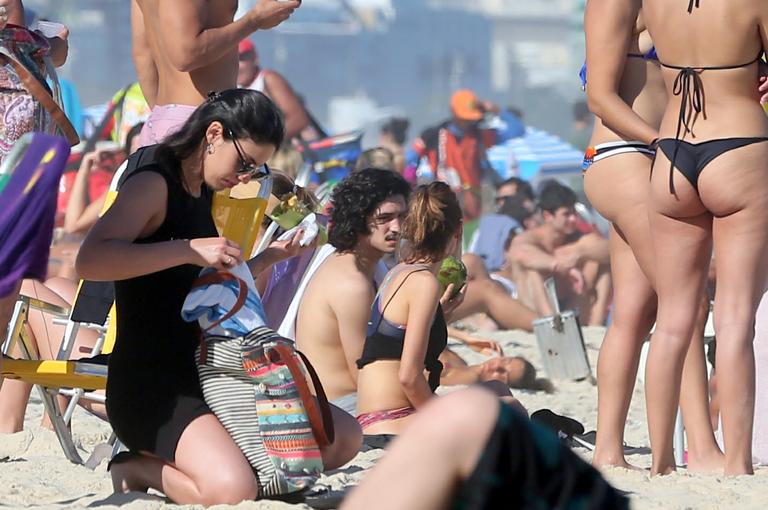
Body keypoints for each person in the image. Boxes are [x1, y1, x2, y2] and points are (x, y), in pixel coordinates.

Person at [75, 89, 360, 504]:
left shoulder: (201, 187)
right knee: (231, 490)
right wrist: (187, 248)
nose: (245, 176)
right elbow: (91, 260)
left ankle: (222, 456)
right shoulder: (155, 181)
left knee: (341, 438)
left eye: (256, 168)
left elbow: (198, 287)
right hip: (153, 383)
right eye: (245, 163)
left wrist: (270, 258)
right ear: (213, 133)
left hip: (216, 373)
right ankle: (133, 467)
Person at [582, 0, 722, 471]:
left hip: (641, 159)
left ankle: (607, 450)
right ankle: (701, 447)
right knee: (686, 302)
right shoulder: (615, 3)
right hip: (625, 155)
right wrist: (662, 142)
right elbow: (600, 97)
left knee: (637, 314)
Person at [640, 1, 768, 476]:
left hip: (671, 151)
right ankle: (737, 463)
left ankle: (660, 462)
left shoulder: (656, 5)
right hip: (739, 144)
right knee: (734, 320)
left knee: (672, 321)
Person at [354, 182, 523, 437]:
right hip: (391, 420)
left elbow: (393, 345)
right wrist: (441, 420)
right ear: (457, 230)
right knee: (512, 409)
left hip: (374, 415)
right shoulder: (425, 283)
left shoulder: (399, 271)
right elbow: (409, 376)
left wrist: (441, 316)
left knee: (497, 390)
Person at [341, 387, 629, 510]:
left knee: (474, 409)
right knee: (477, 409)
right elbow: (409, 376)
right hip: (386, 417)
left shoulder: (401, 280)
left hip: (366, 417)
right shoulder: (421, 282)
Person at [295, 168, 413, 412]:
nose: (397, 227)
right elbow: (365, 375)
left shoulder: (356, 265)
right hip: (344, 408)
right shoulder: (352, 284)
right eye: (385, 218)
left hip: (343, 403)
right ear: (359, 218)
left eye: (402, 216)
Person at [130, 0, 299, 147]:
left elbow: (144, 55)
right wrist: (254, 20)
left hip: (167, 121)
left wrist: (166, 116)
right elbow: (186, 54)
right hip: (201, 127)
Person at [508, 181, 611, 325]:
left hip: (573, 307)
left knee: (602, 264)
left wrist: (579, 254)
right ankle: (552, 323)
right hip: (533, 313)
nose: (574, 219)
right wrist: (560, 265)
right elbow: (519, 253)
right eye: (566, 214)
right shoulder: (532, 238)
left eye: (574, 213)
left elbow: (610, 251)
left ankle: (595, 325)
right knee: (533, 270)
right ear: (548, 216)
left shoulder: (577, 239)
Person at [407, 90, 516, 221]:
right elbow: (411, 159)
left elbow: (516, 130)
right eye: (465, 118)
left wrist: (494, 109)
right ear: (454, 113)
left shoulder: (479, 135)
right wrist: (411, 185)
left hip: (474, 204)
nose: (468, 123)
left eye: (471, 118)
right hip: (443, 203)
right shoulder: (433, 135)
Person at [237, 38, 312, 141]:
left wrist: (263, 144)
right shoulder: (232, 87)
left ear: (255, 58)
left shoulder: (268, 79)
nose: (237, 65)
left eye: (242, 58)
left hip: (281, 151)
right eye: (232, 59)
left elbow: (298, 120)